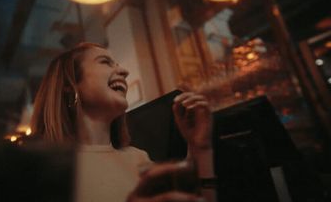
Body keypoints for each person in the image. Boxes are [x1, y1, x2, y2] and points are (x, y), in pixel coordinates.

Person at [31, 42, 216, 202]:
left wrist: (200, 148)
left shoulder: (139, 158)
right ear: (69, 84)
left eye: (117, 64)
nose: (124, 71)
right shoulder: (41, 167)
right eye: (105, 62)